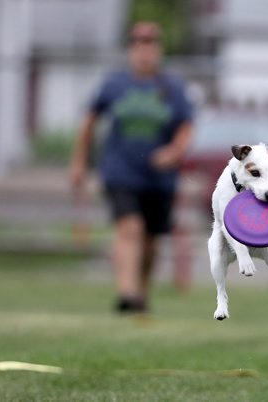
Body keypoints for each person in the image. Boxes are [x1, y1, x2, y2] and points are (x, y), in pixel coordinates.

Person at [69, 22, 194, 313]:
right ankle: (126, 294)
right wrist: (79, 162)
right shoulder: (114, 85)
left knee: (151, 239)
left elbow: (187, 125)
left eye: (150, 45)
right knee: (129, 228)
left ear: (158, 50)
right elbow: (89, 122)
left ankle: (141, 291)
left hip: (159, 177)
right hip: (119, 170)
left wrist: (174, 151)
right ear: (131, 50)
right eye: (139, 45)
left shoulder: (172, 87)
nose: (145, 51)